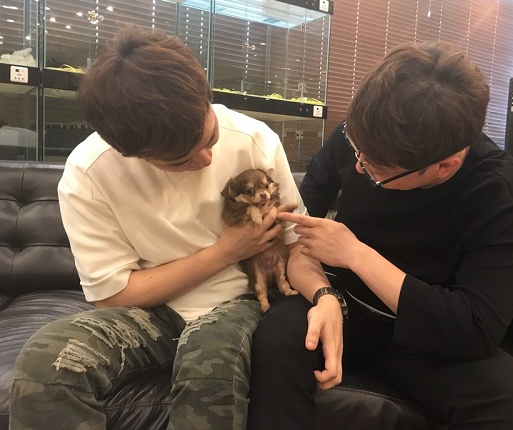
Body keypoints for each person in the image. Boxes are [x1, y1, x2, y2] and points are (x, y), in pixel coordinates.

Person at [9, 26, 333, 430]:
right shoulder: (89, 173)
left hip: (237, 302)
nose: (207, 160)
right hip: (148, 313)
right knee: (44, 363)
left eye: (210, 138)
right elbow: (114, 296)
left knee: (210, 369)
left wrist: (325, 296)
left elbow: (297, 243)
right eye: (181, 161)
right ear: (129, 153)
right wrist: (227, 250)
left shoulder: (254, 139)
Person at [247, 40, 513, 429]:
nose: (358, 167)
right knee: (276, 341)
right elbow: (298, 233)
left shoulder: (498, 191)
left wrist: (356, 254)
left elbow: (475, 329)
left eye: (375, 169)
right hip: (337, 303)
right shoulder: (362, 134)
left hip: (422, 334)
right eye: (357, 151)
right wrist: (324, 295)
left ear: (444, 167)